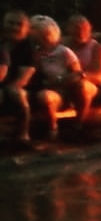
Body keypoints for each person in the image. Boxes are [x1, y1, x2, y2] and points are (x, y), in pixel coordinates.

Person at [28, 15, 88, 140]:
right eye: (40, 35)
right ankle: (51, 128)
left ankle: (66, 128)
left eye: (46, 35)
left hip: (63, 91)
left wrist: (60, 80)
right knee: (44, 96)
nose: (43, 39)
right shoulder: (34, 53)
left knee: (47, 96)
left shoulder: (64, 52)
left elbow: (78, 74)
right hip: (43, 89)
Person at [1, 9, 35, 146]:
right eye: (10, 23)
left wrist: (6, 89)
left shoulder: (29, 48)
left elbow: (23, 79)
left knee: (17, 93)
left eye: (19, 24)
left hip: (25, 88)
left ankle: (23, 134)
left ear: (26, 29)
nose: (14, 27)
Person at [65, 14, 101, 114]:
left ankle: (79, 124)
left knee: (83, 86)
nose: (81, 32)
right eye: (77, 28)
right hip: (63, 82)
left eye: (85, 28)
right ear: (68, 29)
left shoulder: (97, 48)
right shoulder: (61, 44)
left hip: (90, 87)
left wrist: (81, 75)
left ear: (90, 29)